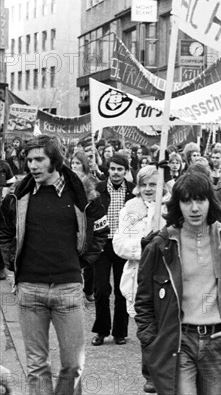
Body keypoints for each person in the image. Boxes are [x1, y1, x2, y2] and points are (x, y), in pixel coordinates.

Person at [0, 135, 109, 395]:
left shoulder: (83, 192)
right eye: (29, 160)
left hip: (68, 289)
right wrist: (14, 266)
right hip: (29, 290)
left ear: (55, 160)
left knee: (73, 365)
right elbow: (4, 232)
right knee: (37, 366)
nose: (32, 166)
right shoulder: (17, 196)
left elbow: (102, 231)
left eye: (39, 159)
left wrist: (80, 262)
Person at [135, 172, 221, 395]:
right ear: (178, 204)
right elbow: (143, 301)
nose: (195, 208)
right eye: (187, 201)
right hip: (178, 340)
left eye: (200, 200)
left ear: (210, 201)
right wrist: (152, 341)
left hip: (216, 340)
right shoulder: (162, 244)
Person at [113, 165, 166, 393]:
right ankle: (151, 374)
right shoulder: (130, 210)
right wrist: (143, 248)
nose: (147, 189)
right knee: (146, 326)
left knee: (167, 324)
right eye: (143, 184)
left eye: (153, 184)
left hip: (166, 276)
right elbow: (119, 244)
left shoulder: (171, 208)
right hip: (139, 276)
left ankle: (168, 369)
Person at [92, 153, 135, 346]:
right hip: (103, 243)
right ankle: (101, 330)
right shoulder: (98, 189)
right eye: (113, 169)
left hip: (124, 244)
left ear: (126, 171)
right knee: (101, 289)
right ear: (108, 170)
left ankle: (120, 331)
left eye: (120, 169)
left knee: (122, 289)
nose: (116, 173)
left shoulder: (133, 191)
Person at [70, 151, 98, 302]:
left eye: (77, 163)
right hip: (73, 223)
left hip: (88, 222)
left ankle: (89, 290)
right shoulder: (67, 179)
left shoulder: (91, 180)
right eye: (73, 163)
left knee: (89, 260)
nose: (74, 166)